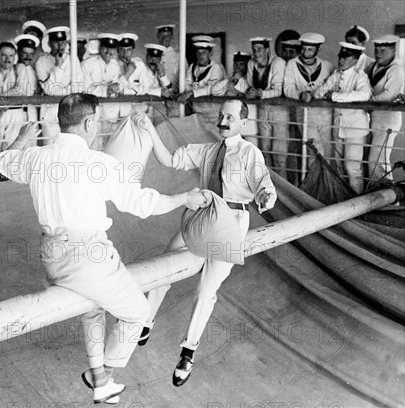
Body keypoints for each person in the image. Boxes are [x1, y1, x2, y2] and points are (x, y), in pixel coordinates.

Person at [0, 93, 208, 403]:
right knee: (137, 313)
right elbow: (143, 203)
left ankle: (99, 378)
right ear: (88, 122)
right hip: (88, 255)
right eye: (95, 121)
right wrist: (183, 199)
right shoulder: (98, 163)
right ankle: (105, 374)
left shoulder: (37, 156)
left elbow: (3, 162)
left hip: (52, 253)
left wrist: (22, 139)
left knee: (92, 306)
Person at [139, 99, 277, 387]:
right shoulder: (208, 150)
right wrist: (150, 129)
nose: (223, 122)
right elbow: (168, 159)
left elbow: (265, 186)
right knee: (166, 263)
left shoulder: (250, 153)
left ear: (243, 122)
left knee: (205, 290)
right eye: (221, 116)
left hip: (231, 223)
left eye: (230, 117)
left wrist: (265, 197)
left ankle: (188, 351)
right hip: (202, 217)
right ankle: (145, 321)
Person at [313, 42, 372, 194]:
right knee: (338, 166)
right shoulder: (336, 75)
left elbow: (364, 94)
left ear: (355, 59)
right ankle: (343, 199)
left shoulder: (360, 76)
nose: (341, 60)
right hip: (339, 127)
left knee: (352, 167)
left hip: (355, 129)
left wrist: (334, 96)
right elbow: (319, 92)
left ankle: (356, 203)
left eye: (346, 57)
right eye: (340, 56)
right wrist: (325, 93)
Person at [283, 33, 334, 171]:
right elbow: (287, 88)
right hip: (305, 115)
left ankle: (325, 190)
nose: (306, 53)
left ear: (319, 49)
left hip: (325, 116)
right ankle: (312, 189)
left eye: (310, 50)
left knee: (328, 154)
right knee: (315, 152)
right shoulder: (292, 64)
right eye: (304, 49)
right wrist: (299, 95)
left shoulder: (327, 66)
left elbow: (335, 84)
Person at [246, 36, 290, 179]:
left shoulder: (278, 63)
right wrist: (251, 91)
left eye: (259, 49)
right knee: (264, 151)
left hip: (279, 112)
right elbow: (249, 85)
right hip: (262, 110)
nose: (256, 53)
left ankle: (284, 188)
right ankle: (268, 185)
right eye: (254, 50)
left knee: (280, 154)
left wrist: (259, 93)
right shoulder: (251, 64)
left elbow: (278, 90)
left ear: (267, 50)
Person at [35, 26, 84, 144]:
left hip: (69, 111)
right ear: (49, 43)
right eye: (56, 42)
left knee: (69, 147)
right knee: (50, 148)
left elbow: (78, 87)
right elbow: (49, 90)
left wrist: (57, 91)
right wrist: (57, 66)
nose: (60, 46)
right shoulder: (41, 61)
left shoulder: (72, 60)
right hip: (49, 113)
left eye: (63, 42)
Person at [367, 34, 404, 184]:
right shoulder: (373, 66)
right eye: (376, 50)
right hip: (373, 118)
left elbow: (389, 95)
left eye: (383, 50)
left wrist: (366, 101)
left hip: (387, 120)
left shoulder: (396, 69)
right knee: (372, 161)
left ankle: (388, 201)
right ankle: (378, 198)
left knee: (378, 160)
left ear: (393, 50)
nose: (378, 53)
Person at [82, 33, 123, 143]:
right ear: (100, 48)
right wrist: (106, 90)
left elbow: (116, 88)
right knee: (93, 145)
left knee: (109, 146)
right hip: (92, 113)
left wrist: (110, 90)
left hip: (110, 115)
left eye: (112, 48)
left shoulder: (116, 66)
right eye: (106, 48)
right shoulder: (88, 64)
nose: (109, 52)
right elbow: (87, 89)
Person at [178, 40, 225, 123]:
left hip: (213, 113)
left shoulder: (216, 68)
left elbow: (211, 89)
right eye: (198, 52)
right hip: (197, 111)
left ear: (210, 54)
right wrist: (187, 91)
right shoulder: (193, 67)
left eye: (204, 52)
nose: (201, 55)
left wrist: (192, 93)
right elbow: (187, 83)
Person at [156, 24, 180, 90]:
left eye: (167, 36)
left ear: (172, 37)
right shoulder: (153, 56)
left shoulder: (178, 56)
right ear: (158, 36)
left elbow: (185, 77)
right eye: (162, 35)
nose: (164, 38)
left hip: (173, 95)